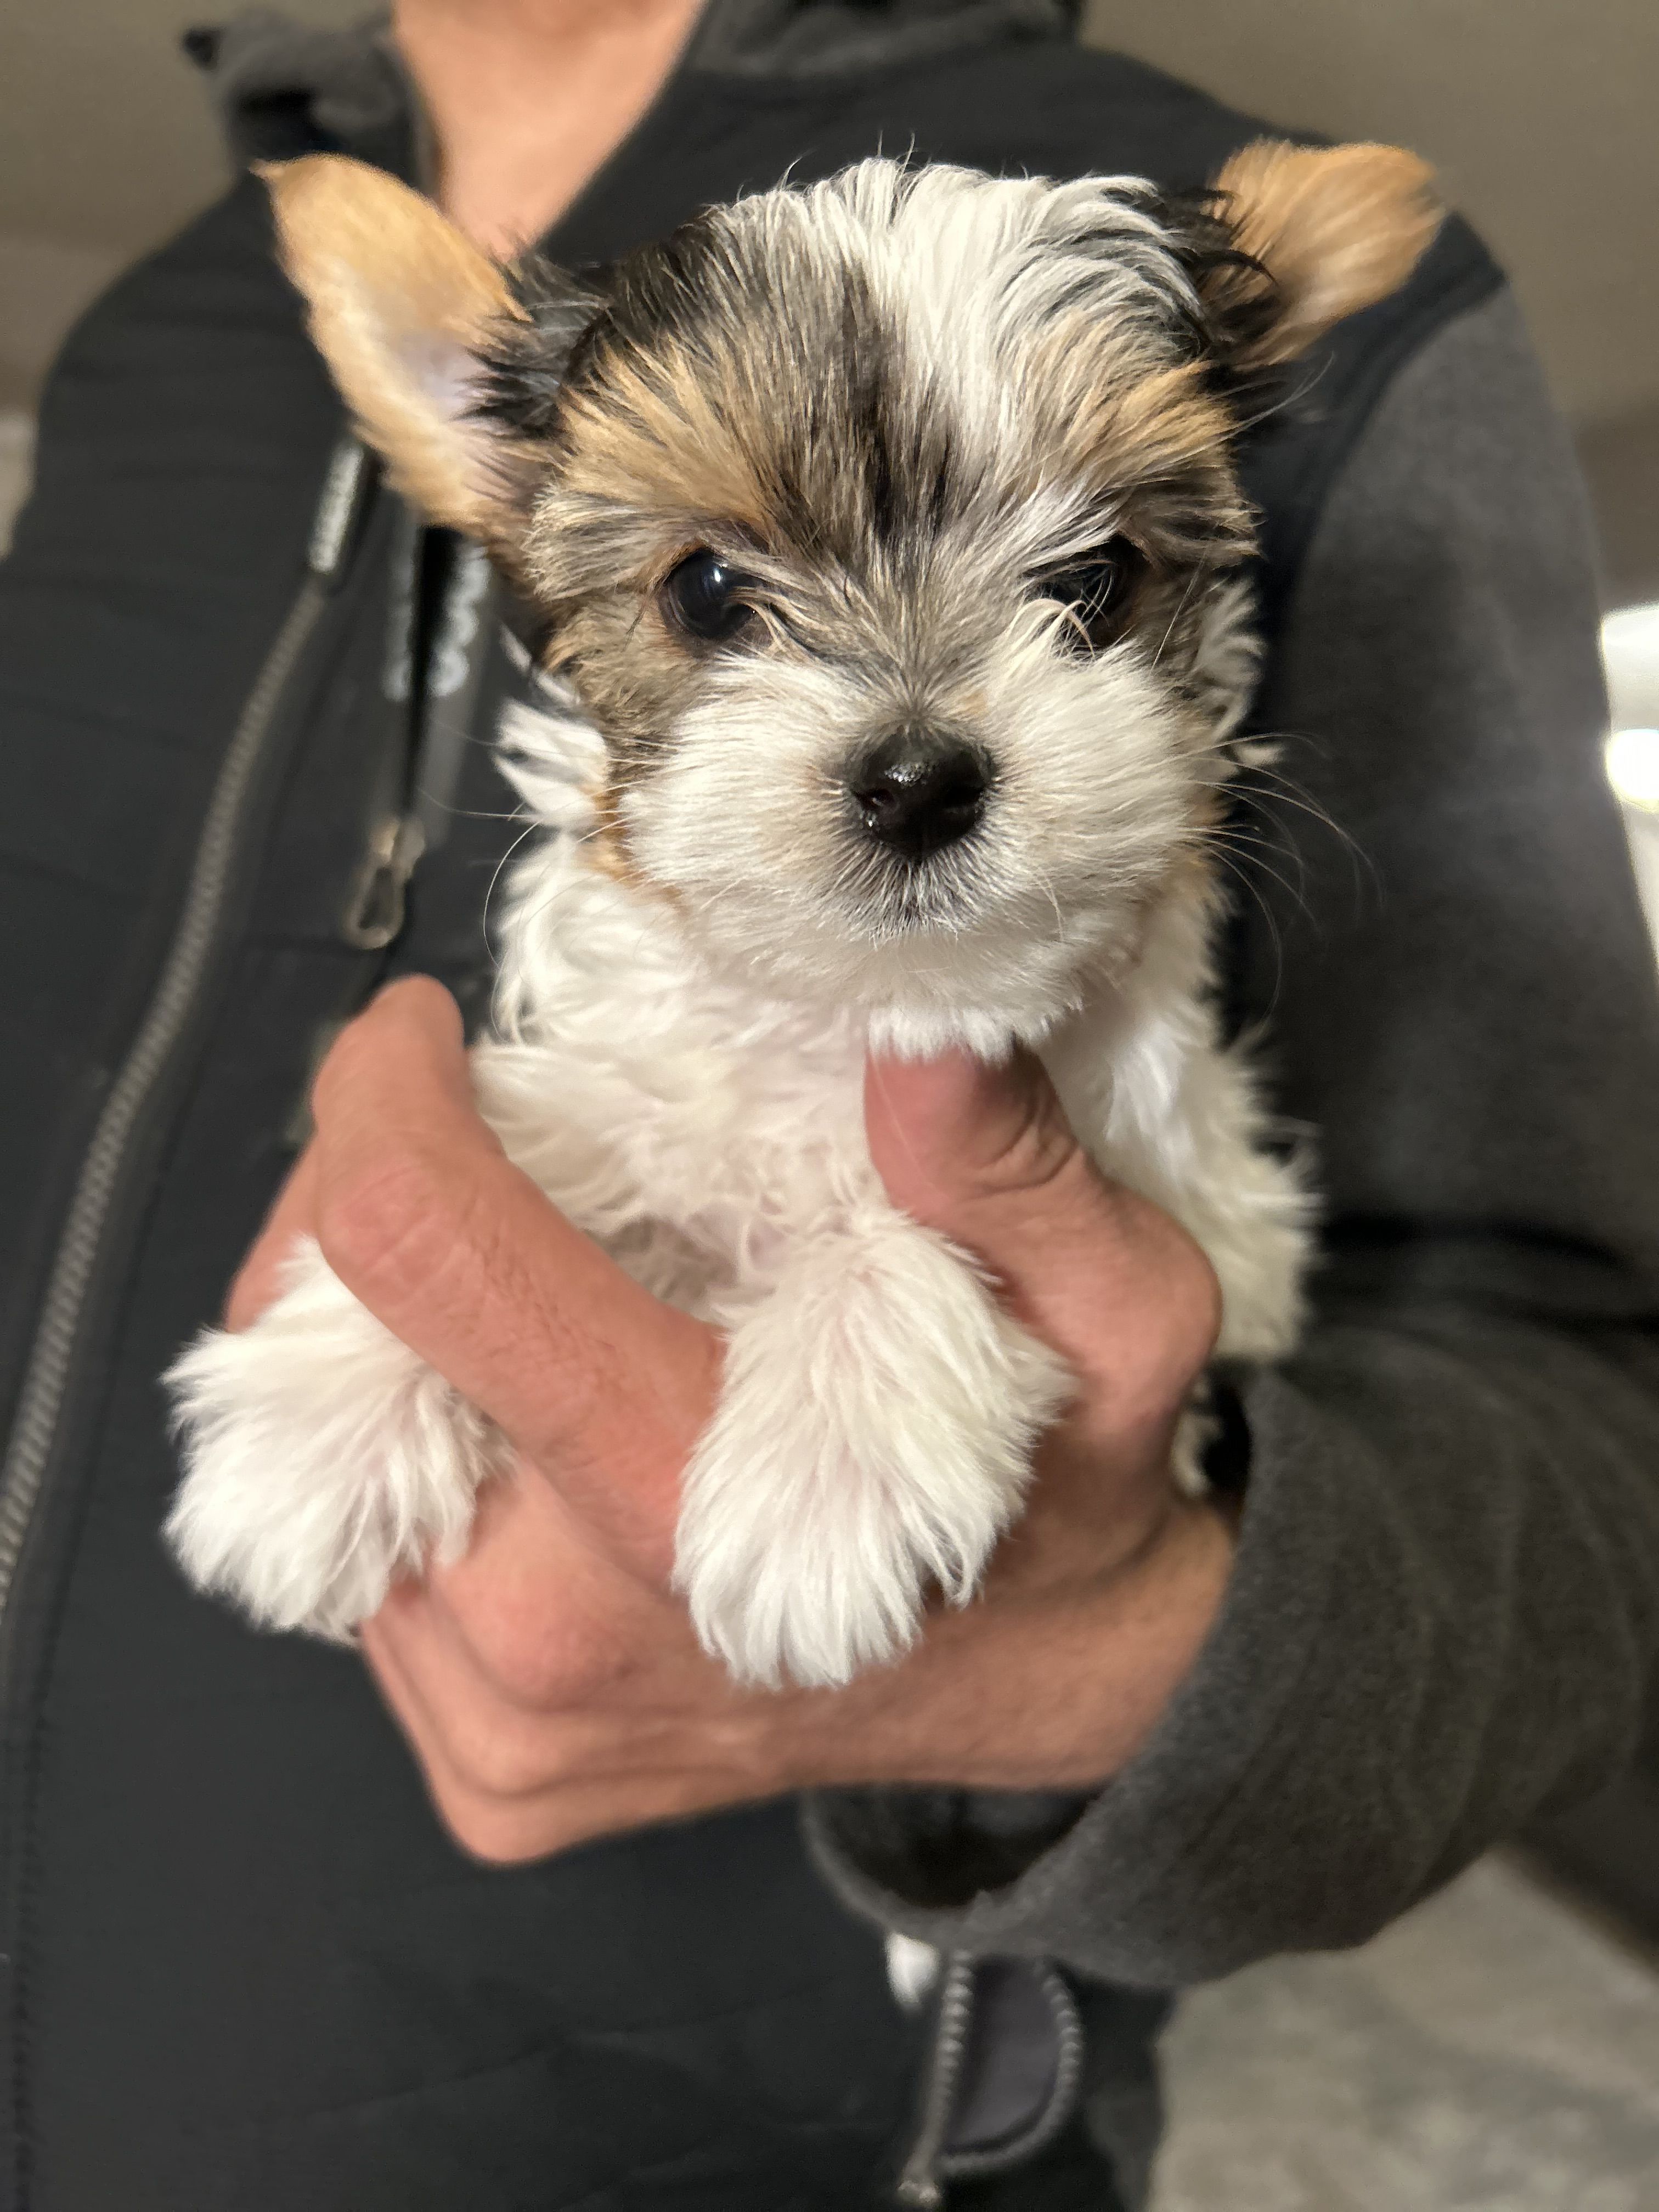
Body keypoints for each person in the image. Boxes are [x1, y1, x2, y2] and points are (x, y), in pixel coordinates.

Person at [2, 3, 1656, 2207]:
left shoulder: (1365, 322)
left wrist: (1135, 1661)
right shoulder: (147, 340)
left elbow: (1591, 1399)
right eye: (717, 595)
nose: (912, 735)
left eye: (1086, 585)